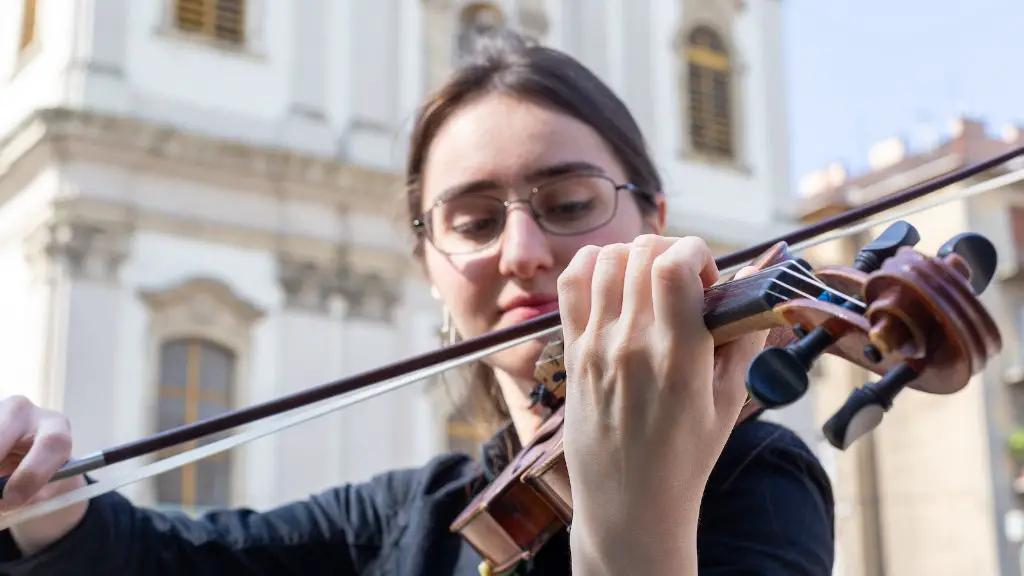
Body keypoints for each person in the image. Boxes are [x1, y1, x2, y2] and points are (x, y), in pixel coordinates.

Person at [0, 31, 834, 575]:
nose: (521, 253)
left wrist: (637, 534)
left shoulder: (751, 478)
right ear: (429, 264)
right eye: (471, 221)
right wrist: (42, 501)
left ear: (655, 219)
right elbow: (169, 560)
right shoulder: (414, 516)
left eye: (570, 203)